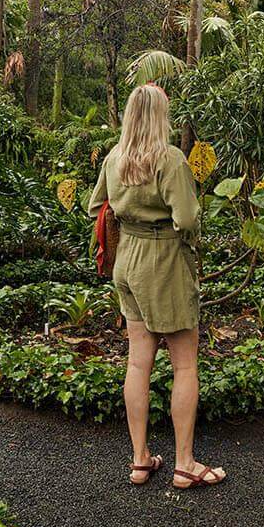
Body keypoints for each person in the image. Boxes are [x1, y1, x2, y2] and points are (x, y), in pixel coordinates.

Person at [87, 83, 227, 489]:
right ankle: (185, 465)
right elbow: (186, 219)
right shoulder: (169, 159)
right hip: (163, 259)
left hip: (126, 261)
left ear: (130, 115)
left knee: (137, 362)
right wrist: (190, 239)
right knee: (184, 363)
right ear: (161, 116)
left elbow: (96, 206)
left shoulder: (114, 158)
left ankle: (140, 459)